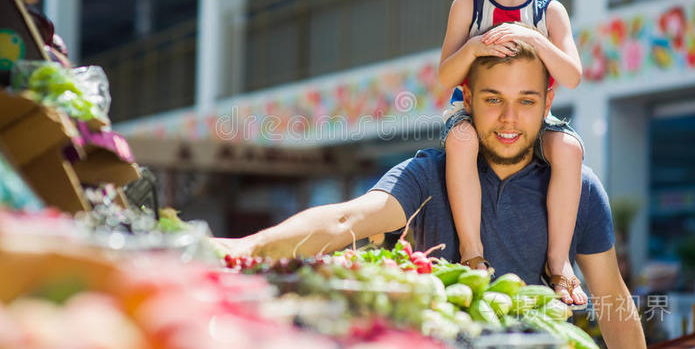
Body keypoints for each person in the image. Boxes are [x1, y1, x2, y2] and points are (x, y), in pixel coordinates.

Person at [217, 41, 646, 349]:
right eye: (494, 99)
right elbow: (346, 221)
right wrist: (246, 247)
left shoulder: (579, 188)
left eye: (527, 101)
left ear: (548, 101)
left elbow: (611, 297)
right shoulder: (428, 175)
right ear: (468, 100)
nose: (510, 118)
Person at [437, 0, 585, 305]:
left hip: (531, 120)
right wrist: (474, 48)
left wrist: (532, 39)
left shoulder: (549, 10)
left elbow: (571, 75)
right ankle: (472, 251)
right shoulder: (467, 7)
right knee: (461, 140)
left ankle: (558, 262)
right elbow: (445, 75)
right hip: (471, 115)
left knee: (570, 148)